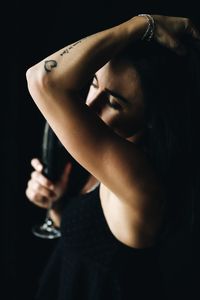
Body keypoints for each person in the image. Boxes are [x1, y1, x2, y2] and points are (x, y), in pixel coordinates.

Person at [25, 14, 200, 299]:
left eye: (113, 102)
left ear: (151, 119)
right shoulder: (115, 155)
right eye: (93, 84)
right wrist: (56, 208)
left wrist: (142, 25)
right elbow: (90, 245)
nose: (90, 106)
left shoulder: (141, 180)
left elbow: (43, 79)